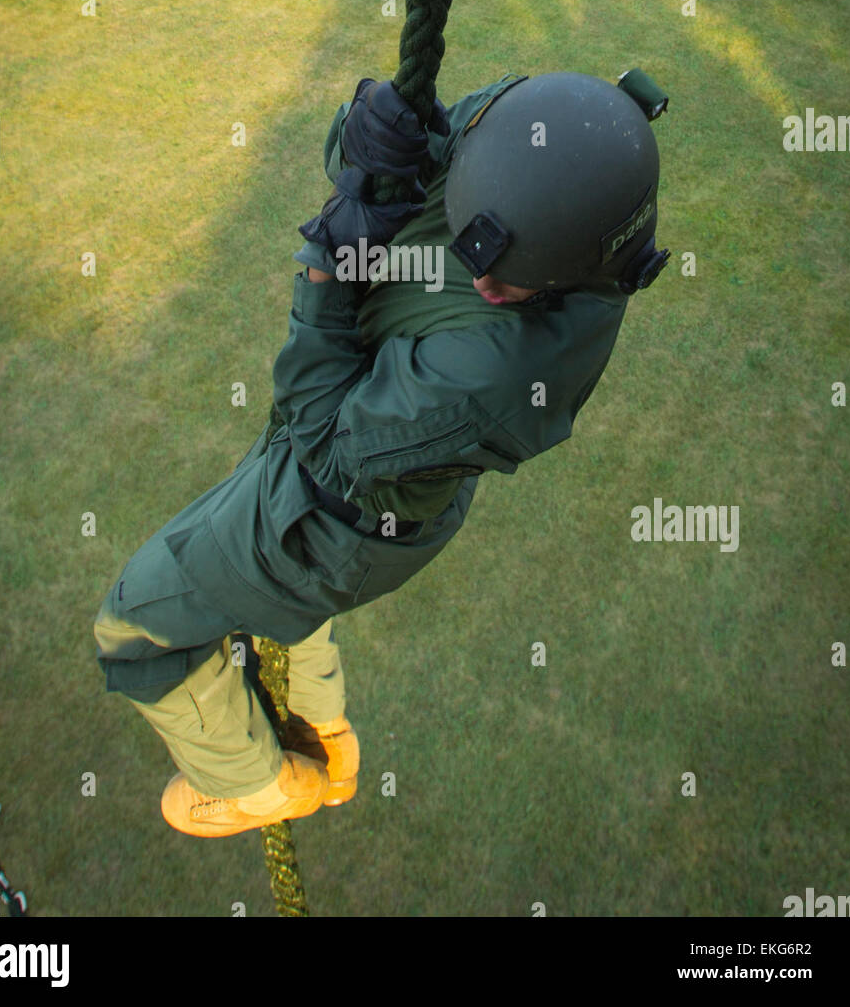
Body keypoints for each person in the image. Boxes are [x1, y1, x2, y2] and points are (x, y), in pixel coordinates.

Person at [93, 68, 670, 838]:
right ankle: (326, 735)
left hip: (336, 511)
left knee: (134, 632)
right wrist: (363, 137)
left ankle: (261, 787)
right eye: (476, 253)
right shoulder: (521, 138)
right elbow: (409, 154)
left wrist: (325, 273)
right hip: (377, 476)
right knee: (285, 609)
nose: (486, 282)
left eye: (510, 280)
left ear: (577, 270)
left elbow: (326, 440)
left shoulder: (505, 369)